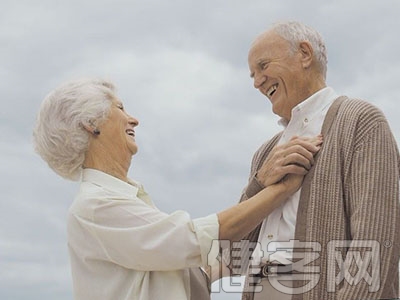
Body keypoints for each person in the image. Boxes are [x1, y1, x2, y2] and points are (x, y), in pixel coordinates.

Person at [32, 78, 322, 300]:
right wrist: (281, 188)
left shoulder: (123, 202)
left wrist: (242, 256)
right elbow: (191, 239)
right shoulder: (95, 207)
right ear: (90, 125)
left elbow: (188, 272)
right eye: (120, 108)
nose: (133, 119)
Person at [223, 21, 400, 300]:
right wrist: (259, 184)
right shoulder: (265, 153)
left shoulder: (361, 121)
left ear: (305, 54)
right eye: (253, 75)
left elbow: (376, 243)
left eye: (263, 66)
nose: (257, 82)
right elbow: (234, 258)